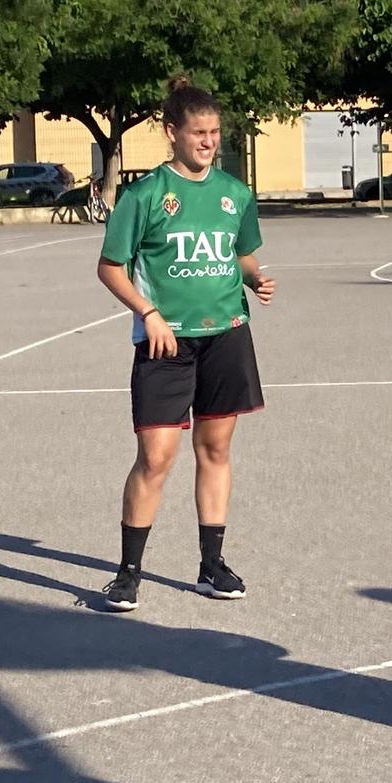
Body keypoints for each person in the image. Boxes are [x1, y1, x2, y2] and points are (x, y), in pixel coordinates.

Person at [94, 77, 274, 614]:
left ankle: (210, 565)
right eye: (199, 132)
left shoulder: (235, 194)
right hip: (166, 343)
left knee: (215, 450)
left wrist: (254, 277)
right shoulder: (144, 195)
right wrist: (147, 312)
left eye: (216, 132)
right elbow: (109, 268)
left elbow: (239, 253)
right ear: (171, 132)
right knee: (155, 457)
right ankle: (127, 574)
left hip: (227, 336)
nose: (209, 141)